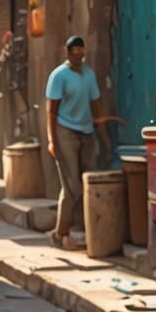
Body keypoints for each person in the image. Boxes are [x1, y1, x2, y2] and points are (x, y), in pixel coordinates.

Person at [46, 35, 106, 250]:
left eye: (82, 53)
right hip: (65, 132)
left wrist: (103, 133)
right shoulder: (59, 76)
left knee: (87, 183)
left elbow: (95, 103)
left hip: (86, 132)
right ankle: (60, 232)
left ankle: (85, 231)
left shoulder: (88, 75)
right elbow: (51, 112)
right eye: (75, 53)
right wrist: (52, 140)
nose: (79, 56)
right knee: (71, 186)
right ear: (68, 53)